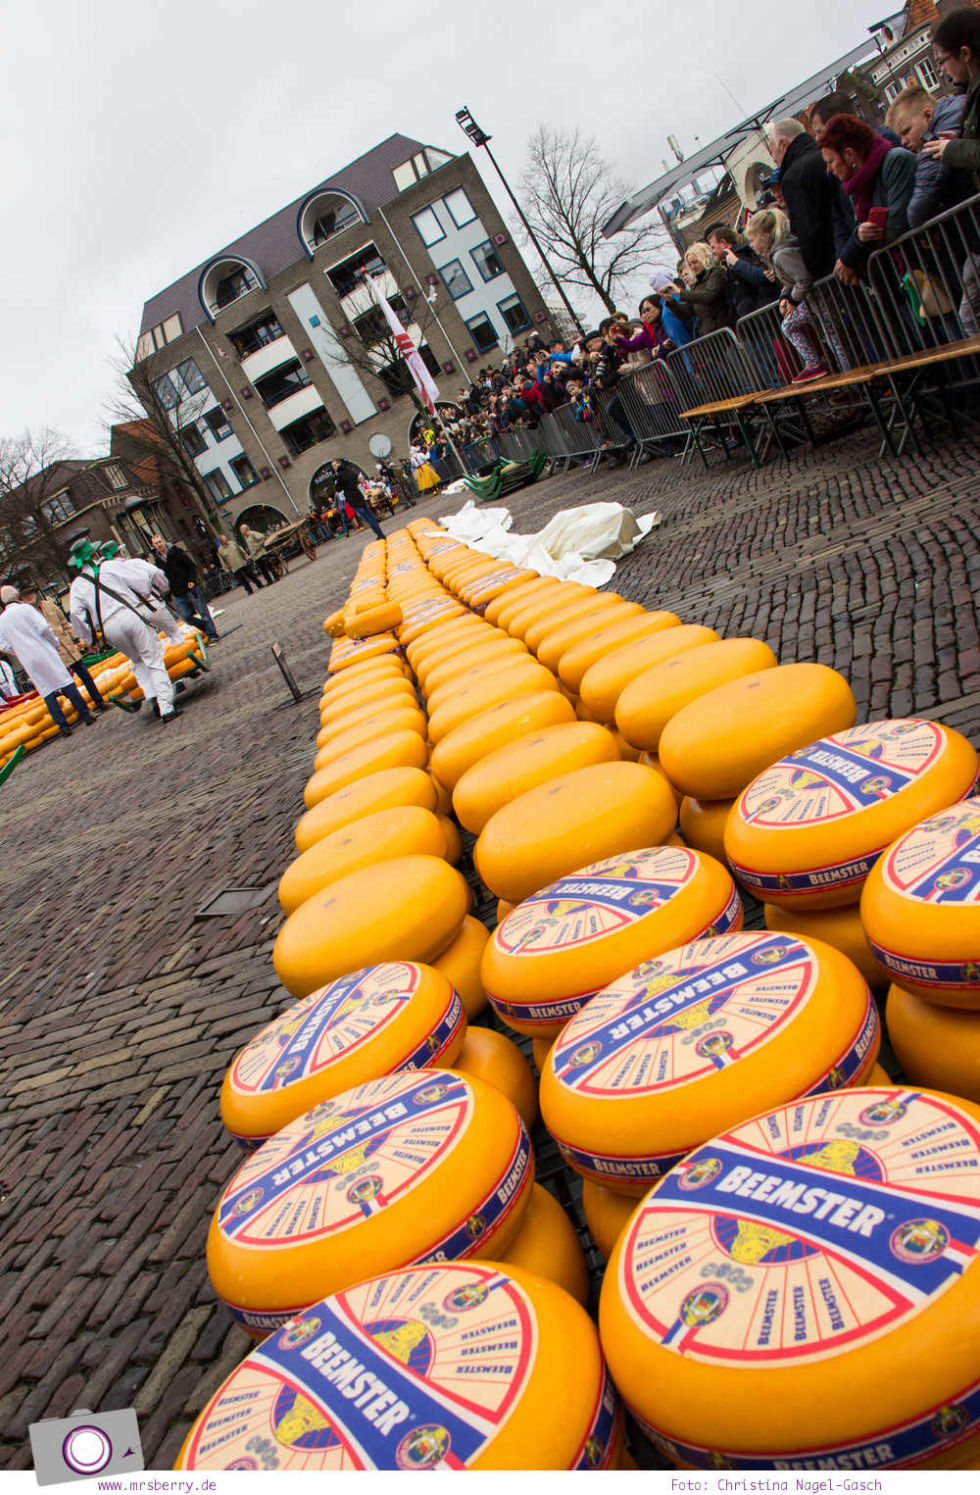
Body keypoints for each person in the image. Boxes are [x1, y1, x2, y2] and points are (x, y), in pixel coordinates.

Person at [68, 540, 181, 723]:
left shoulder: (77, 585)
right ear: (96, 554)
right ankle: (166, 707)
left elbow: (75, 615)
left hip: (107, 627)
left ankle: (152, 696)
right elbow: (142, 582)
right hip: (128, 614)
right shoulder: (110, 566)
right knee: (152, 659)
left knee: (137, 660)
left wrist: (89, 640)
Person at [819, 115, 917, 279]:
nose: (828, 169)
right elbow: (864, 228)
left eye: (831, 161)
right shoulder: (855, 186)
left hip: (926, 262)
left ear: (849, 155)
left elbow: (895, 224)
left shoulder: (896, 160)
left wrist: (863, 237)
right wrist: (860, 236)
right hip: (900, 271)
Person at [746, 207, 836, 382]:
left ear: (765, 235)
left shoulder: (781, 253)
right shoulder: (776, 253)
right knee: (790, 325)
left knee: (836, 342)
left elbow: (803, 278)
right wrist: (784, 296)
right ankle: (814, 363)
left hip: (819, 300)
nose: (751, 244)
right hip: (811, 301)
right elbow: (790, 280)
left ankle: (818, 365)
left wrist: (793, 299)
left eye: (752, 239)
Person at [0, 585, 99, 736]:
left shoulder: (2, 620)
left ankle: (63, 726)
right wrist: (54, 642)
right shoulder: (25, 609)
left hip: (27, 658)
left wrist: (18, 650)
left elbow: (3, 644)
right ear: (16, 596)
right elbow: (44, 627)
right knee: (65, 682)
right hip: (44, 650)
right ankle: (85, 714)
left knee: (47, 690)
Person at [768, 118, 855, 283]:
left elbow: (807, 230)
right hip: (852, 247)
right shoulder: (826, 155)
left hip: (834, 268)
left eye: (773, 151)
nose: (774, 158)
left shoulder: (793, 177)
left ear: (784, 144)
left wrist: (815, 270)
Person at [887, 83, 971, 228]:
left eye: (906, 131)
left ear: (927, 115)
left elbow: (920, 204)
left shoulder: (941, 131)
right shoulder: (953, 112)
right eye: (900, 136)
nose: (903, 141)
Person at [26, 586, 108, 713]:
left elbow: (65, 624)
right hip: (53, 653)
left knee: (85, 676)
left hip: (68, 648)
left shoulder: (49, 605)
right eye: (26, 596)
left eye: (30, 594)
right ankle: (83, 710)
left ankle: (99, 701)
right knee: (68, 685)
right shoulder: (28, 614)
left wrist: (76, 639)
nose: (29, 597)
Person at [705, 222, 781, 322]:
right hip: (754, 319)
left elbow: (760, 277)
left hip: (764, 317)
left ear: (723, 243)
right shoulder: (729, 264)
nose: (712, 252)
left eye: (713, 247)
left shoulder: (742, 256)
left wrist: (737, 264)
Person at [150, 534, 219, 640]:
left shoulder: (176, 551)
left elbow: (191, 565)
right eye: (156, 543)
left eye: (160, 542)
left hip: (189, 587)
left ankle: (212, 635)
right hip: (177, 592)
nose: (159, 545)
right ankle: (206, 627)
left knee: (203, 611)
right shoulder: (158, 561)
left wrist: (191, 580)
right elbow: (163, 578)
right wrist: (168, 594)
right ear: (153, 546)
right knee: (186, 617)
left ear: (164, 541)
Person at [660, 243, 731, 335]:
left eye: (695, 262)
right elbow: (686, 313)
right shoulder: (696, 285)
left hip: (724, 329)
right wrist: (671, 301)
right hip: (710, 336)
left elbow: (708, 296)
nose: (692, 267)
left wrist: (680, 292)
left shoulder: (717, 273)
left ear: (704, 259)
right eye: (690, 265)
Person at [811, 92, 901, 147]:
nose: (817, 139)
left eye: (820, 132)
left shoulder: (883, 141)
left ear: (838, 124)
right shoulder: (850, 151)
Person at [330, 458, 385, 539]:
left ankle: (379, 534)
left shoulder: (340, 475)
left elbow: (338, 488)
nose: (334, 467)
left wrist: (336, 478)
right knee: (369, 515)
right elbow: (356, 480)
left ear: (339, 464)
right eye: (333, 466)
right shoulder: (349, 470)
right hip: (358, 494)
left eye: (335, 465)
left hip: (352, 497)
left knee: (366, 517)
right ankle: (379, 532)